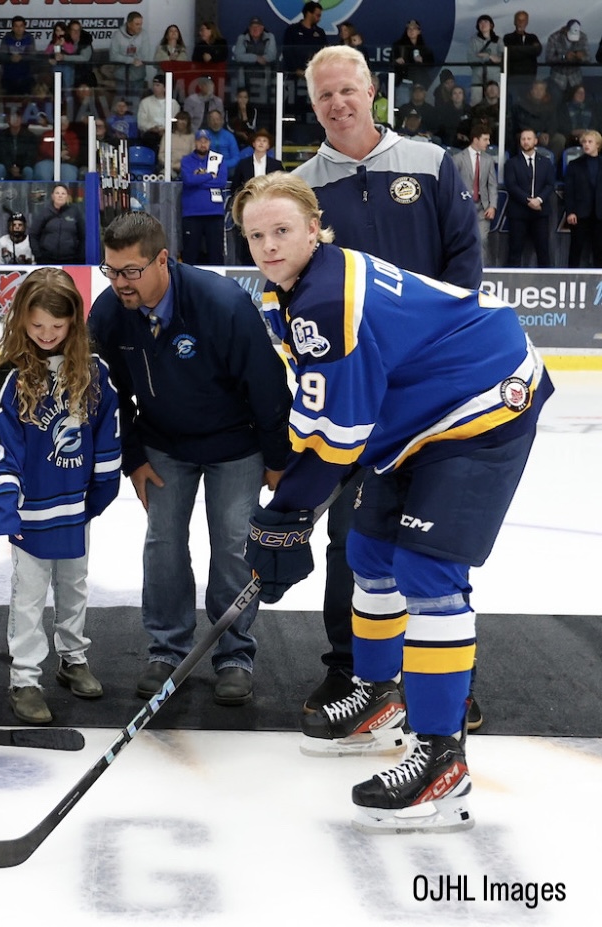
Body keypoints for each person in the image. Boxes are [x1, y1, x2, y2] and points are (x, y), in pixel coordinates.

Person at [233, 171, 551, 834]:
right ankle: (377, 693)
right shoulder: (287, 293)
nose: (268, 244)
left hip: (483, 402)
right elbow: (324, 418)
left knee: (428, 573)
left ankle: (441, 756)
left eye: (281, 230)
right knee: (369, 550)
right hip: (415, 419)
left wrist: (285, 513)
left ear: (313, 227)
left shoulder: (323, 297)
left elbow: (339, 438)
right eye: (256, 234)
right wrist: (290, 503)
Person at [292, 44, 484, 723]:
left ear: (371, 89)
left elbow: (463, 254)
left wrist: (440, 346)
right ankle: (353, 670)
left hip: (432, 388)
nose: (338, 104)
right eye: (324, 96)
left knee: (432, 538)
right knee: (352, 538)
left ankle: (444, 677)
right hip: (357, 390)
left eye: (347, 90)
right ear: (310, 105)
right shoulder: (300, 188)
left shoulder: (430, 163)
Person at [87, 212, 290, 706]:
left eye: (130, 271)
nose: (119, 283)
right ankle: (167, 650)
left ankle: (234, 655)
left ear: (163, 259)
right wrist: (132, 456)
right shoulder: (110, 312)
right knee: (163, 546)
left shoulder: (221, 304)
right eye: (110, 270)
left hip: (236, 445)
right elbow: (106, 396)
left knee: (234, 548)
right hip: (163, 447)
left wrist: (278, 458)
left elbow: (266, 385)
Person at [0, 268, 121, 724]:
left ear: (74, 324)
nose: (46, 335)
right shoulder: (9, 376)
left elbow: (106, 435)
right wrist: (3, 512)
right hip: (30, 514)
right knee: (28, 595)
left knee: (74, 586)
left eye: (57, 327)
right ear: (21, 319)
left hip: (74, 508)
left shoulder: (94, 372)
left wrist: (99, 493)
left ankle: (73, 658)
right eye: (37, 325)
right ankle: (24, 678)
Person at [504, 128, 556, 267]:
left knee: (543, 251)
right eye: (523, 139)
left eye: (529, 139)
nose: (526, 142)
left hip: (540, 212)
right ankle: (511, 284)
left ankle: (546, 284)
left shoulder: (545, 162)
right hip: (518, 213)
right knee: (515, 251)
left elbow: (550, 184)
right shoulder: (512, 163)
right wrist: (529, 201)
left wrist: (539, 200)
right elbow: (512, 186)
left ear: (535, 141)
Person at [180, 129, 230, 265]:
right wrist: (209, 175)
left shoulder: (218, 159)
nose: (203, 144)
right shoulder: (186, 160)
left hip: (214, 214)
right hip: (192, 215)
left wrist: (199, 177)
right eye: (200, 141)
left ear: (209, 143)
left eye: (205, 141)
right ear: (195, 142)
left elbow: (221, 182)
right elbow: (188, 180)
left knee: (216, 254)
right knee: (190, 253)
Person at [454, 124, 499, 266]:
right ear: (475, 139)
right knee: (462, 241)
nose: (488, 143)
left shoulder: (488, 160)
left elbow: (492, 184)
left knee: (482, 240)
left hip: (482, 208)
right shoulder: (458, 158)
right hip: (463, 208)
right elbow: (452, 185)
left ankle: (484, 272)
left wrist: (493, 206)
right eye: (485, 139)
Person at [564, 129, 602, 267]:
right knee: (576, 250)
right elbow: (569, 191)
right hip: (580, 214)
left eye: (590, 142)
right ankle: (571, 281)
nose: (586, 145)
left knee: (599, 250)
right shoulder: (574, 165)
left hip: (599, 214)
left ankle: (600, 283)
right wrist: (570, 211)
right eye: (584, 142)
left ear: (597, 144)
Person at [29, 183, 84, 265]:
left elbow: (83, 237)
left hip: (70, 260)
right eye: (57, 193)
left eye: (63, 193)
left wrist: (79, 257)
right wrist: (38, 256)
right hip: (46, 260)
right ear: (52, 196)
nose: (60, 196)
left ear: (67, 197)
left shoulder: (75, 212)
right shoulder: (44, 213)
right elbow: (33, 235)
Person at [232, 17, 277, 101]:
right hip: (245, 79)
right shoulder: (242, 38)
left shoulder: (270, 37)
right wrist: (256, 58)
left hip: (264, 78)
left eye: (258, 27)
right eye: (253, 27)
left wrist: (248, 58)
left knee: (264, 104)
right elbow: (238, 56)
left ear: (262, 28)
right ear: (249, 28)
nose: (255, 29)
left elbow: (271, 55)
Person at [391, 20, 436, 104]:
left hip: (420, 85)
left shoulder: (424, 48)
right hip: (404, 83)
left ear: (419, 31)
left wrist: (423, 61)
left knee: (419, 110)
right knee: (403, 109)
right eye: (409, 29)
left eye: (414, 29)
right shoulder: (398, 46)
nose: (411, 31)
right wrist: (396, 61)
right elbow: (391, 61)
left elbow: (432, 64)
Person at [546, 20, 590, 100]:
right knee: (556, 103)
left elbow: (589, 58)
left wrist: (581, 57)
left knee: (576, 105)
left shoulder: (583, 37)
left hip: (575, 78)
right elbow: (549, 59)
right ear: (566, 30)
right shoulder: (554, 38)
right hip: (557, 79)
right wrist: (564, 57)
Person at [137, 75, 179, 154]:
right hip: (151, 135)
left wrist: (165, 129)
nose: (155, 88)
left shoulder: (173, 103)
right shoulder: (145, 102)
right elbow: (141, 122)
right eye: (153, 85)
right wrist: (152, 128)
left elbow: (175, 121)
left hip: (169, 134)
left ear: (165, 88)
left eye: (158, 85)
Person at [0, 15, 37, 97]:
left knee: (25, 104)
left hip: (25, 77)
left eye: (21, 26)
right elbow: (1, 56)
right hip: (8, 77)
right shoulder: (6, 38)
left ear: (24, 27)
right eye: (16, 26)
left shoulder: (29, 38)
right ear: (12, 28)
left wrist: (21, 57)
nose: (19, 29)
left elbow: (33, 56)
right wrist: (10, 58)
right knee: (8, 104)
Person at [468, 15, 502, 106]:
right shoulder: (473, 41)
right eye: (480, 22)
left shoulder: (498, 40)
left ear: (491, 25)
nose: (483, 24)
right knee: (476, 105)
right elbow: (471, 60)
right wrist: (490, 57)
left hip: (494, 78)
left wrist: (485, 56)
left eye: (486, 22)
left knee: (496, 104)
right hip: (477, 79)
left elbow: (502, 59)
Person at [503, 10, 542, 81]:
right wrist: (530, 50)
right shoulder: (508, 37)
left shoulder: (532, 37)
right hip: (513, 77)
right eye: (518, 20)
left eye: (523, 20)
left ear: (527, 22)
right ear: (514, 22)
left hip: (530, 76)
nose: (521, 22)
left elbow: (538, 51)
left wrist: (517, 49)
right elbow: (511, 53)